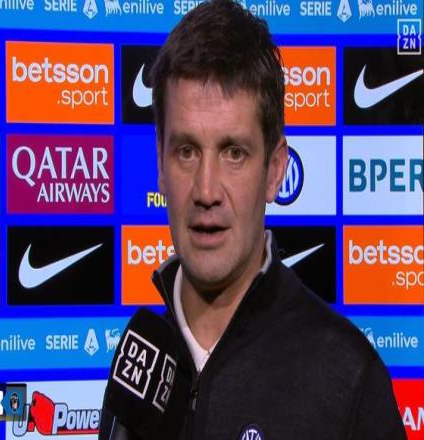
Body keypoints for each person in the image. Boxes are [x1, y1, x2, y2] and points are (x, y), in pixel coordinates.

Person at [101, 1, 406, 438]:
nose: (206, 191)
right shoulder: (139, 370)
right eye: (186, 151)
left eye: (234, 153)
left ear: (275, 171)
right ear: (160, 165)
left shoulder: (349, 378)